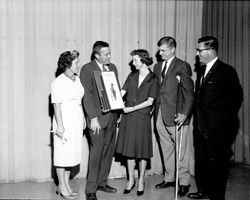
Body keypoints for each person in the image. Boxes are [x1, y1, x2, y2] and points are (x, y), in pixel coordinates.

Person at [187, 36, 243, 200]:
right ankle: (203, 191)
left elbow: (236, 99)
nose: (197, 54)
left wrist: (221, 123)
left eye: (200, 50)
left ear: (211, 51)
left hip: (217, 130)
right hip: (200, 128)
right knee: (201, 162)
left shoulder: (226, 71)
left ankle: (217, 196)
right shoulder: (202, 71)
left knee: (217, 165)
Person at [153, 36, 194, 197]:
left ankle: (184, 182)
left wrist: (184, 113)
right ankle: (170, 178)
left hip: (177, 114)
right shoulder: (157, 67)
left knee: (181, 150)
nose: (160, 53)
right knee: (166, 147)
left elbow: (189, 92)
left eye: (163, 50)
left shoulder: (182, 66)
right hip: (160, 114)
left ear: (172, 49)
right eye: (159, 50)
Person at [116, 49, 159, 196]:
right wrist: (113, 100)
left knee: (142, 151)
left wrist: (131, 108)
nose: (133, 63)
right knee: (129, 151)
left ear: (144, 60)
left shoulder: (153, 78)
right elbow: (121, 93)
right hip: (128, 118)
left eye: (135, 60)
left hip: (141, 118)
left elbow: (150, 101)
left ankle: (141, 180)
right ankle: (131, 180)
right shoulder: (132, 75)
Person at [80, 41, 118, 200]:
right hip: (97, 119)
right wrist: (93, 118)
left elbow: (114, 90)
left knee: (108, 151)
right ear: (97, 55)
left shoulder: (113, 68)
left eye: (109, 53)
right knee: (96, 153)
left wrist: (118, 110)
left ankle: (102, 182)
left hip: (111, 116)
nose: (109, 56)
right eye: (106, 54)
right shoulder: (87, 69)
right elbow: (87, 95)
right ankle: (90, 189)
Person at [51, 50, 86, 199]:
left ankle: (65, 185)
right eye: (76, 62)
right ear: (68, 64)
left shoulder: (76, 79)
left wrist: (83, 116)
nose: (79, 64)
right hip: (64, 120)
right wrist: (60, 125)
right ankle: (61, 187)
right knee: (62, 155)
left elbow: (79, 100)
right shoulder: (58, 82)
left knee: (71, 155)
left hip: (76, 120)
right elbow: (56, 105)